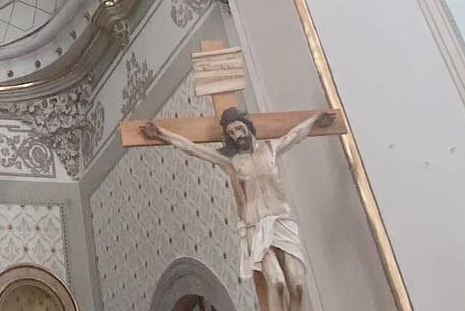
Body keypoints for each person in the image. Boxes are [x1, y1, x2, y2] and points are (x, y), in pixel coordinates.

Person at [142, 107, 335, 311]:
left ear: (248, 127)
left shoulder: (270, 148)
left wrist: (315, 119)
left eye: (240, 128)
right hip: (256, 226)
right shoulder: (230, 162)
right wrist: (161, 133)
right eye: (232, 132)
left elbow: (295, 134)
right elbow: (191, 147)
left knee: (297, 286)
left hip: (282, 221)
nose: (237, 135)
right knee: (276, 281)